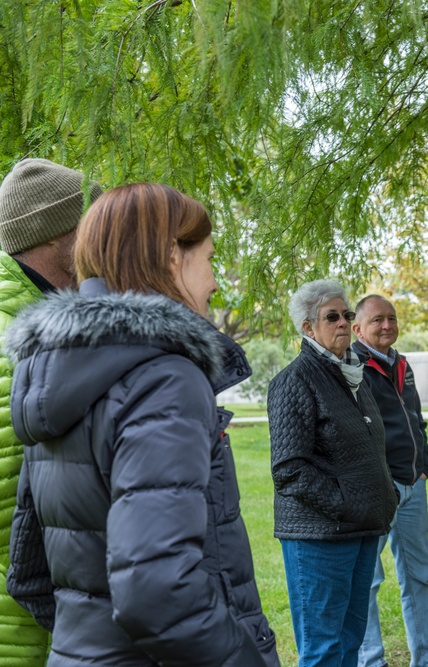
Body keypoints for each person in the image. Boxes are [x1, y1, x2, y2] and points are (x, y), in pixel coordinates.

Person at [4, 183, 280, 666]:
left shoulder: (51, 372)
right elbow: (158, 595)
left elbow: (28, 575)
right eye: (210, 259)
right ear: (173, 256)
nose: (214, 281)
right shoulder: (163, 377)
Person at [0, 158, 102, 666]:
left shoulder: (54, 318)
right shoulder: (15, 334)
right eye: (92, 223)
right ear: (61, 234)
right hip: (18, 624)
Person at [267, 280, 398, 667]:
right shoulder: (295, 380)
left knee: (350, 641)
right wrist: (347, 504)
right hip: (319, 536)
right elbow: (290, 469)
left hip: (359, 529)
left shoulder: (351, 376)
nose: (343, 322)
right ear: (308, 328)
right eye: (332, 317)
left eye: (347, 315)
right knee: (323, 648)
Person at [351, 295, 428, 667]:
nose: (387, 326)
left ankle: (427, 657)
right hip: (379, 489)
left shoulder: (402, 364)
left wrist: (423, 465)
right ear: (357, 328)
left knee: (418, 577)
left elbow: (415, 418)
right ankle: (371, 660)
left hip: (413, 486)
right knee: (368, 580)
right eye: (377, 320)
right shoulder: (350, 366)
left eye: (391, 318)